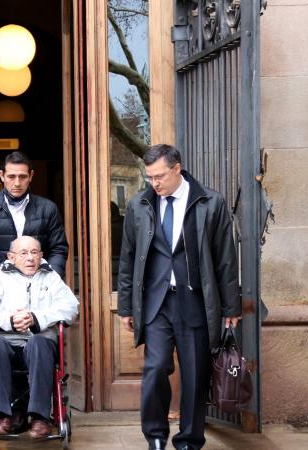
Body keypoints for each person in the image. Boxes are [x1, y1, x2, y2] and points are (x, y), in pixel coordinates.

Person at [117, 144, 242, 450]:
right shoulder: (139, 205)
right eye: (149, 177)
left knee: (196, 374)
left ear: (177, 169)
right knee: (156, 368)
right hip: (156, 303)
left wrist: (231, 307)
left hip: (195, 301)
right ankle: (155, 437)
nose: (154, 183)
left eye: (159, 176)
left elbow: (225, 259)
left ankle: (189, 440)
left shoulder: (210, 202)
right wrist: (126, 307)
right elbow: (128, 259)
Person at [0, 236, 79, 439]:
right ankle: (3, 416)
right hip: (6, 341)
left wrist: (36, 318)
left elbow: (71, 307)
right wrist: (9, 320)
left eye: (34, 252)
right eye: (24, 253)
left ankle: (39, 418)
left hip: (39, 342)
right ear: (11, 257)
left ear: (41, 255)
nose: (30, 258)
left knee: (38, 342)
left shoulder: (50, 277)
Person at [0, 151, 69, 286]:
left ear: (31, 176)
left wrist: (51, 281)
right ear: (2, 176)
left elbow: (58, 248)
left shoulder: (48, 208)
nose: (17, 183)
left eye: (22, 177)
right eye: (11, 176)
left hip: (40, 283)